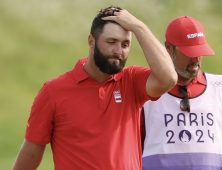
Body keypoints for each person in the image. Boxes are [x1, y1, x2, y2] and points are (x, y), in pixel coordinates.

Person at [12, 6, 177, 170]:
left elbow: (168, 77)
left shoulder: (132, 81)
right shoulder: (53, 91)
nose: (118, 51)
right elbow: (32, 150)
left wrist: (138, 27)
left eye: (125, 44)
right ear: (91, 41)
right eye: (111, 42)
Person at [141, 16, 222, 170]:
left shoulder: (219, 87)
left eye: (199, 52)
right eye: (189, 52)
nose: (196, 59)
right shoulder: (145, 89)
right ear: (169, 49)